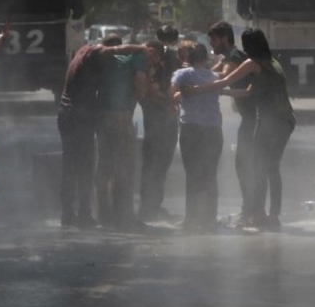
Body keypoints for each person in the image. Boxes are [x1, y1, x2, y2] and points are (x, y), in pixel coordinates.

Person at [188, 29, 295, 231]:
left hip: (270, 121)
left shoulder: (251, 63)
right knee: (271, 167)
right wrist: (222, 92)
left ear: (248, 46)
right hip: (286, 120)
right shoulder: (273, 63)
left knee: (259, 166)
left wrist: (195, 90)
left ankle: (256, 214)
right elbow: (248, 92)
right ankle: (273, 215)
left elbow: (224, 80)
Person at [56, 38, 147, 228]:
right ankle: (84, 214)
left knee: (70, 164)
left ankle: (68, 213)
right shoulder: (95, 52)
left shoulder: (82, 51)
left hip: (67, 114)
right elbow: (116, 49)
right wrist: (141, 48)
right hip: (79, 116)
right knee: (85, 164)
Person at [95, 34, 148, 231]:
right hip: (121, 117)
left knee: (105, 164)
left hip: (102, 115)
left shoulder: (101, 57)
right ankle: (124, 214)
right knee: (125, 164)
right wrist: (135, 100)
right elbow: (141, 83)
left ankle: (104, 213)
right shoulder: (137, 57)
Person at [208, 21, 257, 228]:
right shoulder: (228, 56)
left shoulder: (236, 57)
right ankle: (250, 210)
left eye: (214, 39)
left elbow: (222, 78)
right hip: (250, 117)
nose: (211, 43)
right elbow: (211, 72)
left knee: (248, 165)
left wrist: (192, 76)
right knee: (245, 165)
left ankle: (251, 212)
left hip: (255, 117)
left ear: (224, 39)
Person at [171, 43, 223, 234]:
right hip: (213, 129)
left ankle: (190, 218)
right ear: (205, 59)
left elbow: (172, 93)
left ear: (189, 58)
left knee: (192, 174)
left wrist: (177, 98)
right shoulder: (214, 76)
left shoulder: (183, 73)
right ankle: (210, 218)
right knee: (210, 174)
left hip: (191, 128)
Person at [138, 38, 180, 222]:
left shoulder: (163, 68)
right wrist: (169, 104)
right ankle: (147, 207)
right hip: (155, 125)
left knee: (161, 166)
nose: (150, 57)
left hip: (166, 123)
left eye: (152, 54)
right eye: (147, 53)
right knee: (151, 166)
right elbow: (149, 94)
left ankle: (155, 205)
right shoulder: (146, 71)